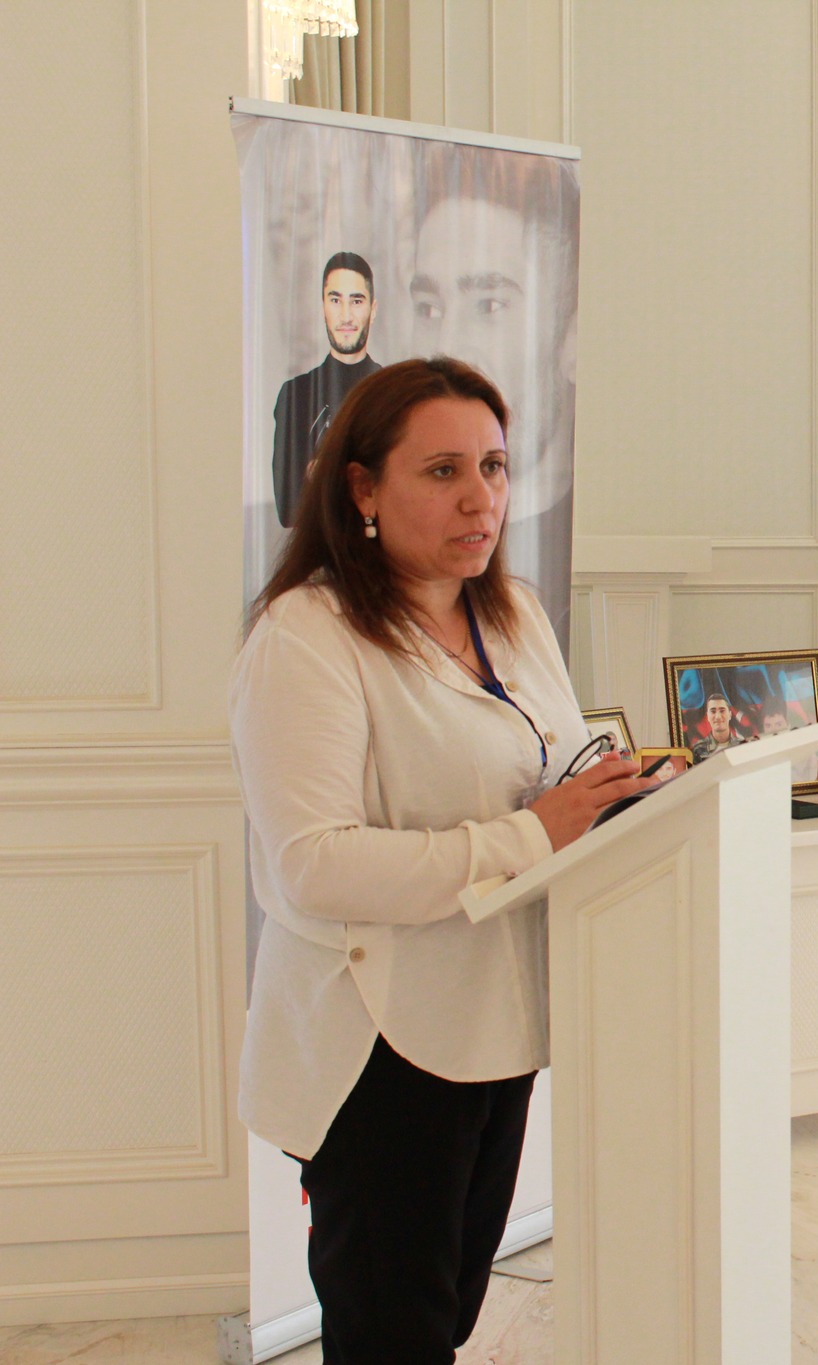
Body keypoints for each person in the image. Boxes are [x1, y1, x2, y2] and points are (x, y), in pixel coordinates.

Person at [232, 358, 655, 1362]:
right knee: (392, 1331)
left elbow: (550, 773)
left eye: (494, 466)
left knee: (448, 1308)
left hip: (499, 1018)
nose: (480, 498)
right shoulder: (308, 636)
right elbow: (313, 865)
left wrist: (619, 794)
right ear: (362, 489)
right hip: (380, 1043)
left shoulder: (514, 615)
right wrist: (532, 832)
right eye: (442, 471)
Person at [411, 145, 580, 634]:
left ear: (572, 335)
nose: (446, 348)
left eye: (489, 305)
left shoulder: (538, 604)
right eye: (428, 309)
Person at [273, 252, 382, 527]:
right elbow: (288, 510)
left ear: (373, 309)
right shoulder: (296, 396)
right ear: (323, 307)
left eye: (356, 301)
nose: (346, 315)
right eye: (335, 300)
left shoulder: (396, 393)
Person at [689, 692, 745, 761]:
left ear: (730, 715)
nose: (718, 716)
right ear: (707, 716)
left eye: (722, 711)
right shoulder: (697, 750)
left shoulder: (742, 746)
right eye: (713, 711)